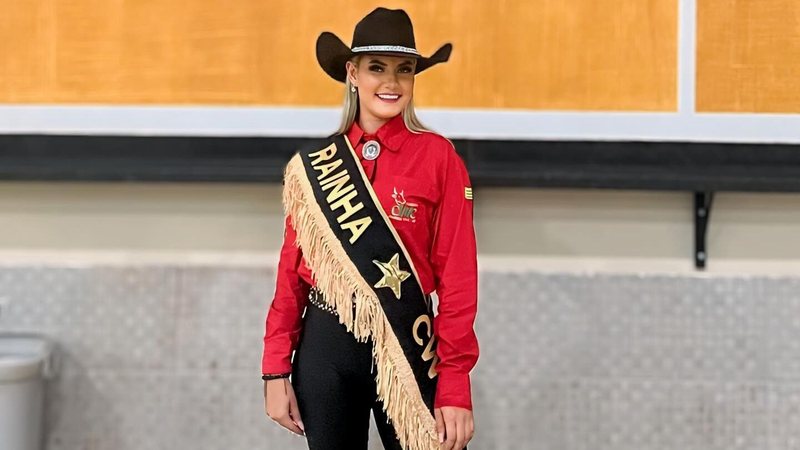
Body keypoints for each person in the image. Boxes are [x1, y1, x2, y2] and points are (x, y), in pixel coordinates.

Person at [261, 7, 478, 450]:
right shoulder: (312, 169)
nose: (392, 83)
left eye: (405, 70)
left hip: (408, 344)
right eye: (377, 68)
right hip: (326, 349)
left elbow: (458, 278)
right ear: (352, 73)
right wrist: (274, 367)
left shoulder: (440, 159)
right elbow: (290, 275)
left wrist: (454, 383)